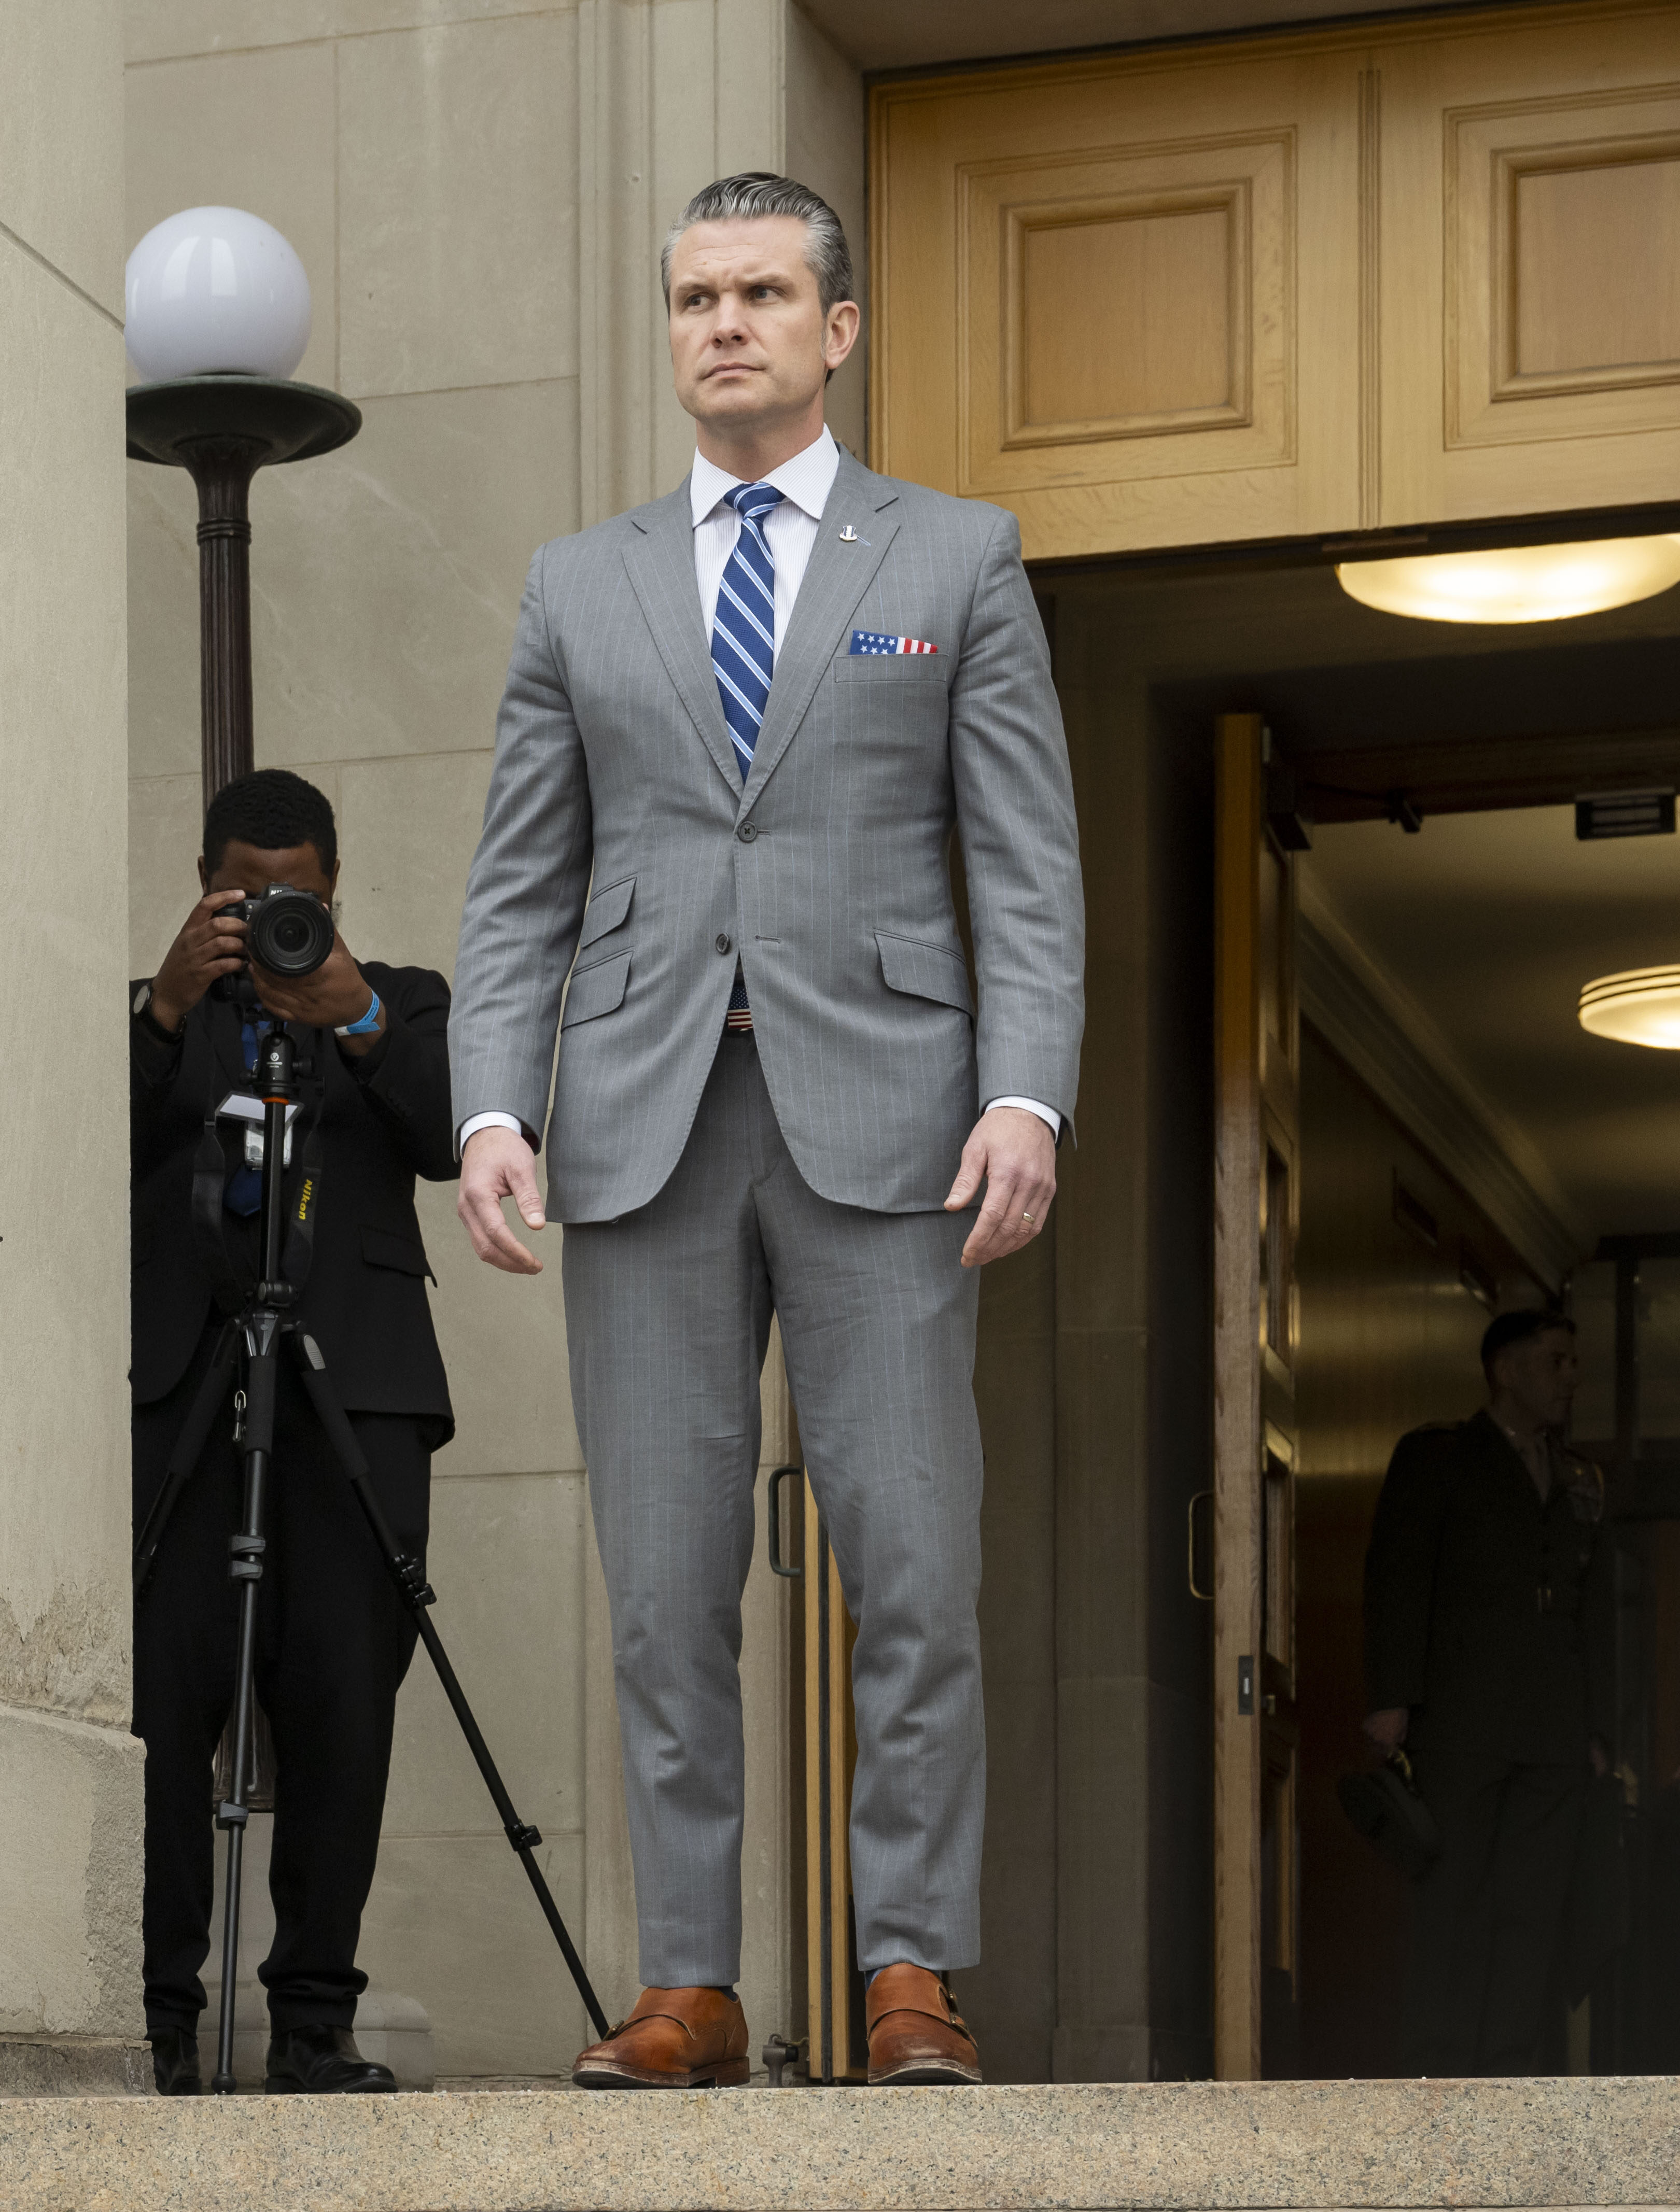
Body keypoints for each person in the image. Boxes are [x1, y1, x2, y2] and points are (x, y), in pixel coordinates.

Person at [448, 171, 1083, 2091]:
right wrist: (489, 1096)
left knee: (911, 1559)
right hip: (637, 1128)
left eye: (761, 292)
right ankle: (693, 1980)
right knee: (659, 1584)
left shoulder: (954, 560)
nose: (722, 323)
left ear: (838, 328)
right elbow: (515, 886)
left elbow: (1025, 866)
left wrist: (1027, 1086)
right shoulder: (579, 583)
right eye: (694, 297)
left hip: (893, 1126)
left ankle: (906, 1966)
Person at [130, 769, 458, 2098]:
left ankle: (315, 2021)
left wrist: (358, 1014)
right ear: (206, 888)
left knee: (341, 1714)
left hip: (358, 1400)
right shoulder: (170, 1016)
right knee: (160, 1715)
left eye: (300, 901)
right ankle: (154, 2015)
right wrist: (164, 1005)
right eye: (247, 898)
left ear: (338, 890)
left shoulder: (402, 1000)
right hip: (190, 1401)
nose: (275, 922)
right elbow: (75, 1153)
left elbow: (455, 1136)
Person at [1362, 1306, 1611, 2076]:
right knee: (1454, 1904)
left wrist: (1597, 1726)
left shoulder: (1579, 1479)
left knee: (1534, 1909)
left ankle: (1510, 2071)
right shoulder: (1437, 1457)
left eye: (1574, 1362)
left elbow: (1593, 1610)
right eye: (1555, 1361)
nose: (1570, 1377)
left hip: (1551, 1731)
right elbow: (1398, 1575)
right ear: (1505, 1369)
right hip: (1460, 1722)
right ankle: (1438, 2072)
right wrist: (1390, 1696)